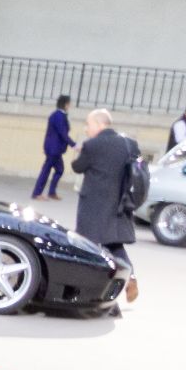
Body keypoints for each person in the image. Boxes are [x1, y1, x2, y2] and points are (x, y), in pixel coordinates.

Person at [71, 108, 140, 310]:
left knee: (89, 246)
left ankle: (89, 290)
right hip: (120, 203)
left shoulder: (93, 145)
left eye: (88, 124)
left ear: (100, 124)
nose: (86, 129)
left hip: (94, 204)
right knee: (114, 244)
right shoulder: (128, 144)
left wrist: (80, 152)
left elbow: (78, 167)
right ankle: (131, 277)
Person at [31, 94, 75, 200]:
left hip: (55, 149)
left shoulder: (59, 115)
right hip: (53, 148)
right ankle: (37, 193)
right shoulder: (58, 116)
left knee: (59, 169)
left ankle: (51, 192)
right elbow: (62, 133)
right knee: (47, 170)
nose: (70, 105)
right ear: (66, 104)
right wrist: (74, 144)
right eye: (69, 103)